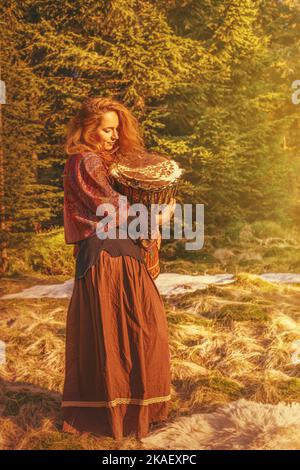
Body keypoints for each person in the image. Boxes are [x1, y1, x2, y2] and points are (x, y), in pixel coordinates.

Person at [61, 96, 176, 441]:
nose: (114, 136)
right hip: (106, 256)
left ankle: (138, 410)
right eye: (106, 129)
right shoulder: (84, 161)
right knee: (117, 332)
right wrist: (157, 216)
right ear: (87, 129)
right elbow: (108, 207)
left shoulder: (107, 161)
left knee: (140, 328)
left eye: (117, 129)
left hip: (122, 253)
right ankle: (114, 415)